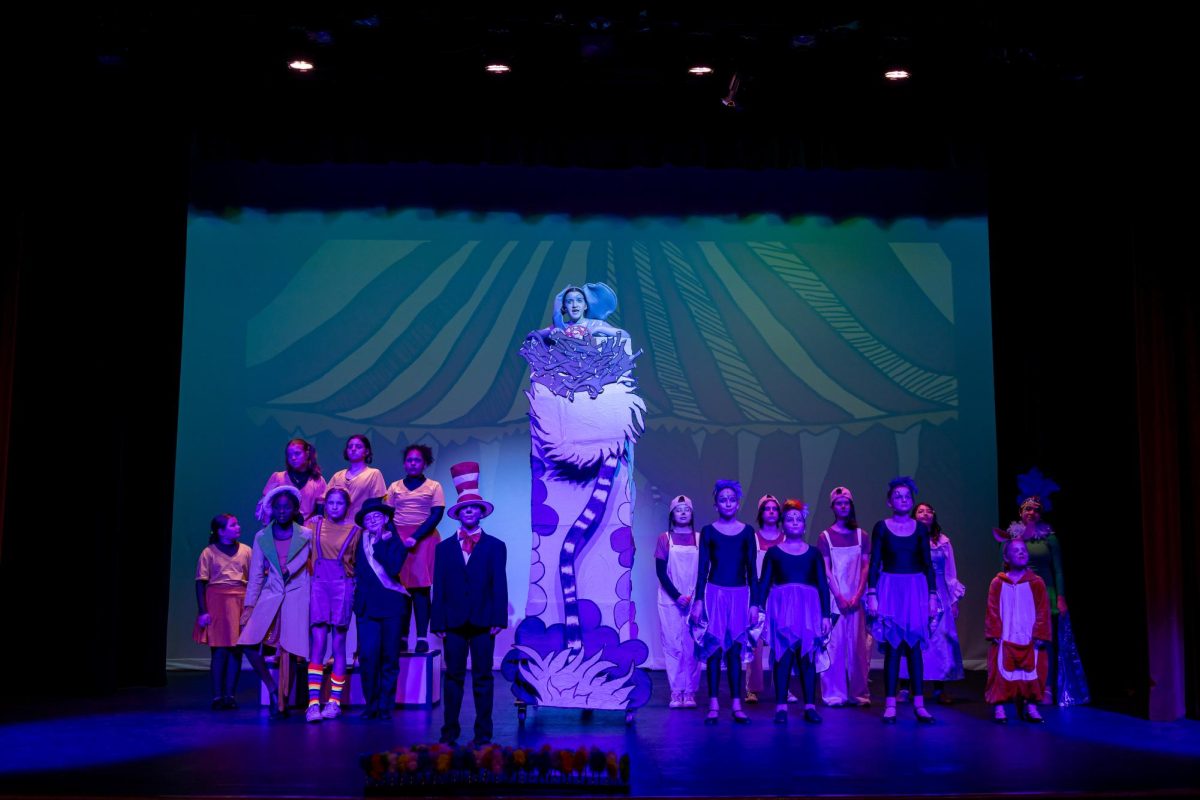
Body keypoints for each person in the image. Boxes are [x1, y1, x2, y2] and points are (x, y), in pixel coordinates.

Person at [431, 462, 508, 746]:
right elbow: (438, 586)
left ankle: (483, 734)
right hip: (452, 622)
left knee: (483, 678)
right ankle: (449, 732)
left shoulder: (495, 546)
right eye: (465, 509)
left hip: (482, 621)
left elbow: (499, 583)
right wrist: (437, 621)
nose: (469, 512)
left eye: (474, 508)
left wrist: (499, 619)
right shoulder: (443, 549)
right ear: (458, 515)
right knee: (452, 678)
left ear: (481, 513)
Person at [865, 477, 937, 724]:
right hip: (890, 587)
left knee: (914, 648)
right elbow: (874, 562)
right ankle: (890, 703)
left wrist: (932, 595)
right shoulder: (881, 527)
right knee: (894, 648)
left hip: (915, 587)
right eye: (898, 496)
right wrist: (872, 592)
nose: (903, 500)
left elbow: (928, 564)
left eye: (907, 496)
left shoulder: (920, 528)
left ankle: (919, 703)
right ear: (889, 501)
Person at [237, 486, 313, 718]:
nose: (281, 511)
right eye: (277, 507)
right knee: (249, 643)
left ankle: (284, 700)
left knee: (291, 649)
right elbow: (257, 573)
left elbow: (305, 567)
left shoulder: (306, 534)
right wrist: (249, 606)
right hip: (272, 593)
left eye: (286, 507)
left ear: (295, 509)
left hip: (297, 595)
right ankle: (272, 688)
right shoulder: (262, 537)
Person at [690, 479, 760, 725]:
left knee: (735, 650)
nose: (728, 503)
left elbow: (752, 570)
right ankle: (713, 703)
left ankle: (737, 704)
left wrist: (755, 603)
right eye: (723, 499)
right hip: (714, 594)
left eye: (732, 499)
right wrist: (698, 600)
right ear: (716, 504)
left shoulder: (748, 532)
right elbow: (702, 569)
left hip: (740, 595)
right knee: (714, 650)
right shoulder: (708, 532)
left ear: (738, 504)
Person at [757, 499, 831, 724]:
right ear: (783, 525)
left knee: (806, 656)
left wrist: (826, 614)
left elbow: (822, 584)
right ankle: (781, 706)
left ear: (804, 525)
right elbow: (764, 582)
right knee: (783, 655)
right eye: (789, 519)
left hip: (808, 609)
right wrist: (758, 607)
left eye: (798, 519)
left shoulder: (814, 554)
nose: (794, 522)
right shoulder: (774, 553)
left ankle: (809, 705)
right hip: (782, 608)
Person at [995, 495, 1068, 703]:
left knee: (1045, 641)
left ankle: (1047, 687)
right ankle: (1024, 684)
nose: (1031, 513)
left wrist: (1061, 597)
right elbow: (1004, 568)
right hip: (1020, 593)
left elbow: (1059, 570)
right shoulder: (1011, 538)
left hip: (1046, 593)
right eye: (1027, 509)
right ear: (1020, 513)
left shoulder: (1049, 538)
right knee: (1021, 639)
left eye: (1036, 510)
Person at [304, 488, 360, 722]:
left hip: (342, 587)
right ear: (325, 505)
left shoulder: (356, 531)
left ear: (347, 506)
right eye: (331, 503)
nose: (334, 507)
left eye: (339, 503)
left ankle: (334, 702)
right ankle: (313, 703)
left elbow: (357, 563)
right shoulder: (313, 526)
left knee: (338, 644)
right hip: (319, 586)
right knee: (317, 643)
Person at [352, 496, 408, 720]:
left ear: (385, 518)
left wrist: (379, 542)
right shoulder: (356, 542)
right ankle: (371, 704)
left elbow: (393, 568)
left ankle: (385, 706)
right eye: (368, 518)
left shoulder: (395, 541)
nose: (373, 520)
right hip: (366, 609)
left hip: (391, 607)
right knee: (368, 657)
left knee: (389, 658)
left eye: (377, 516)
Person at [985, 539, 1051, 723]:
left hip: (1029, 636)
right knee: (1001, 671)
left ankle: (1031, 707)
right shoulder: (998, 583)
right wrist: (994, 632)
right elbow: (992, 609)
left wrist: (1040, 634)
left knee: (1031, 672)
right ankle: (999, 708)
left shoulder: (1036, 582)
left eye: (1024, 550)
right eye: (1016, 551)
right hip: (1005, 636)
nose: (1021, 552)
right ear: (1006, 557)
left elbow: (1043, 610)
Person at [385, 444, 444, 653]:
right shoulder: (394, 487)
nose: (412, 463)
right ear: (404, 463)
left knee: (420, 587)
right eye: (409, 460)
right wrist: (395, 538)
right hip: (399, 538)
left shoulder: (433, 486)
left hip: (424, 538)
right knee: (401, 588)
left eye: (417, 460)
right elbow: (388, 515)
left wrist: (415, 537)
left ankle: (421, 637)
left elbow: (436, 514)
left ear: (425, 464)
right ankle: (401, 636)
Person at [817, 486, 872, 707]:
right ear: (832, 507)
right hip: (835, 598)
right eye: (839, 503)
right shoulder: (825, 537)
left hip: (857, 597)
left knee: (858, 646)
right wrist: (838, 595)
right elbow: (826, 570)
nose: (843, 506)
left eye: (846, 503)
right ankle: (833, 693)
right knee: (834, 645)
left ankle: (859, 693)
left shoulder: (862, 535)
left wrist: (858, 594)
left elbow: (866, 567)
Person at [193, 513, 252, 710]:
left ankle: (230, 695)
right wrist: (203, 611)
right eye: (233, 525)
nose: (238, 527)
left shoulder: (246, 551)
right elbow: (201, 583)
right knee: (219, 651)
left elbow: (253, 579)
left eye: (237, 524)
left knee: (236, 650)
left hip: (239, 601)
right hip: (217, 602)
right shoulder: (208, 553)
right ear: (221, 531)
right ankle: (217, 696)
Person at [912, 502, 965, 703]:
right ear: (914, 516)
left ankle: (939, 687)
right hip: (916, 590)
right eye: (920, 511)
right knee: (914, 635)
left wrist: (953, 600)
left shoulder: (943, 541)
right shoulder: (909, 539)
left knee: (941, 639)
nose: (925, 514)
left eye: (928, 511)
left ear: (934, 516)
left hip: (940, 593)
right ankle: (906, 686)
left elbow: (950, 573)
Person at [655, 495, 701, 709]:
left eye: (687, 509)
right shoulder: (665, 539)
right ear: (672, 514)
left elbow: (704, 571)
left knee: (693, 646)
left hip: (694, 599)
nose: (683, 513)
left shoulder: (700, 539)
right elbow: (661, 573)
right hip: (670, 599)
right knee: (673, 644)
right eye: (678, 509)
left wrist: (694, 596)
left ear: (692, 514)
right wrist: (677, 596)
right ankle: (676, 691)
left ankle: (690, 691)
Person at [745, 495, 785, 704]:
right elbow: (750, 568)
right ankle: (752, 688)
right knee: (755, 643)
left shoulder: (787, 538)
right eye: (766, 509)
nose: (771, 512)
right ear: (761, 513)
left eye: (774, 509)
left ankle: (783, 686)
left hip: (780, 596)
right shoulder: (753, 538)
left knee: (782, 642)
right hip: (758, 595)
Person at [255, 438, 327, 525]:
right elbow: (266, 507)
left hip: (306, 532)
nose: (293, 458)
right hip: (279, 530)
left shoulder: (317, 481)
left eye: (297, 453)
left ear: (307, 454)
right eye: (289, 455)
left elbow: (320, 514)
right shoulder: (278, 478)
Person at [325, 434, 387, 521]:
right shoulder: (337, 475)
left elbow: (377, 504)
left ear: (367, 451)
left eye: (358, 446)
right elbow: (326, 501)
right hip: (337, 526)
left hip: (359, 527)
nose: (353, 449)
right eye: (350, 447)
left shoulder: (373, 474)